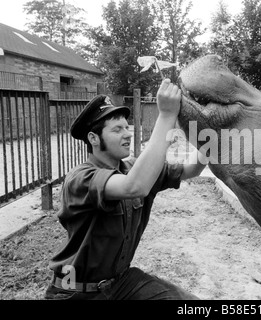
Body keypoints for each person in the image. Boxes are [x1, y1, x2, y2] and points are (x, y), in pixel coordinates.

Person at [44, 79, 206, 300]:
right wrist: (167, 116)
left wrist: (210, 138)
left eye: (127, 127)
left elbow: (191, 169)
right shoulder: (80, 179)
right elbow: (134, 187)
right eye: (117, 129)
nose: (128, 134)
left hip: (121, 283)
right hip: (75, 291)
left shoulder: (131, 168)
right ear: (94, 138)